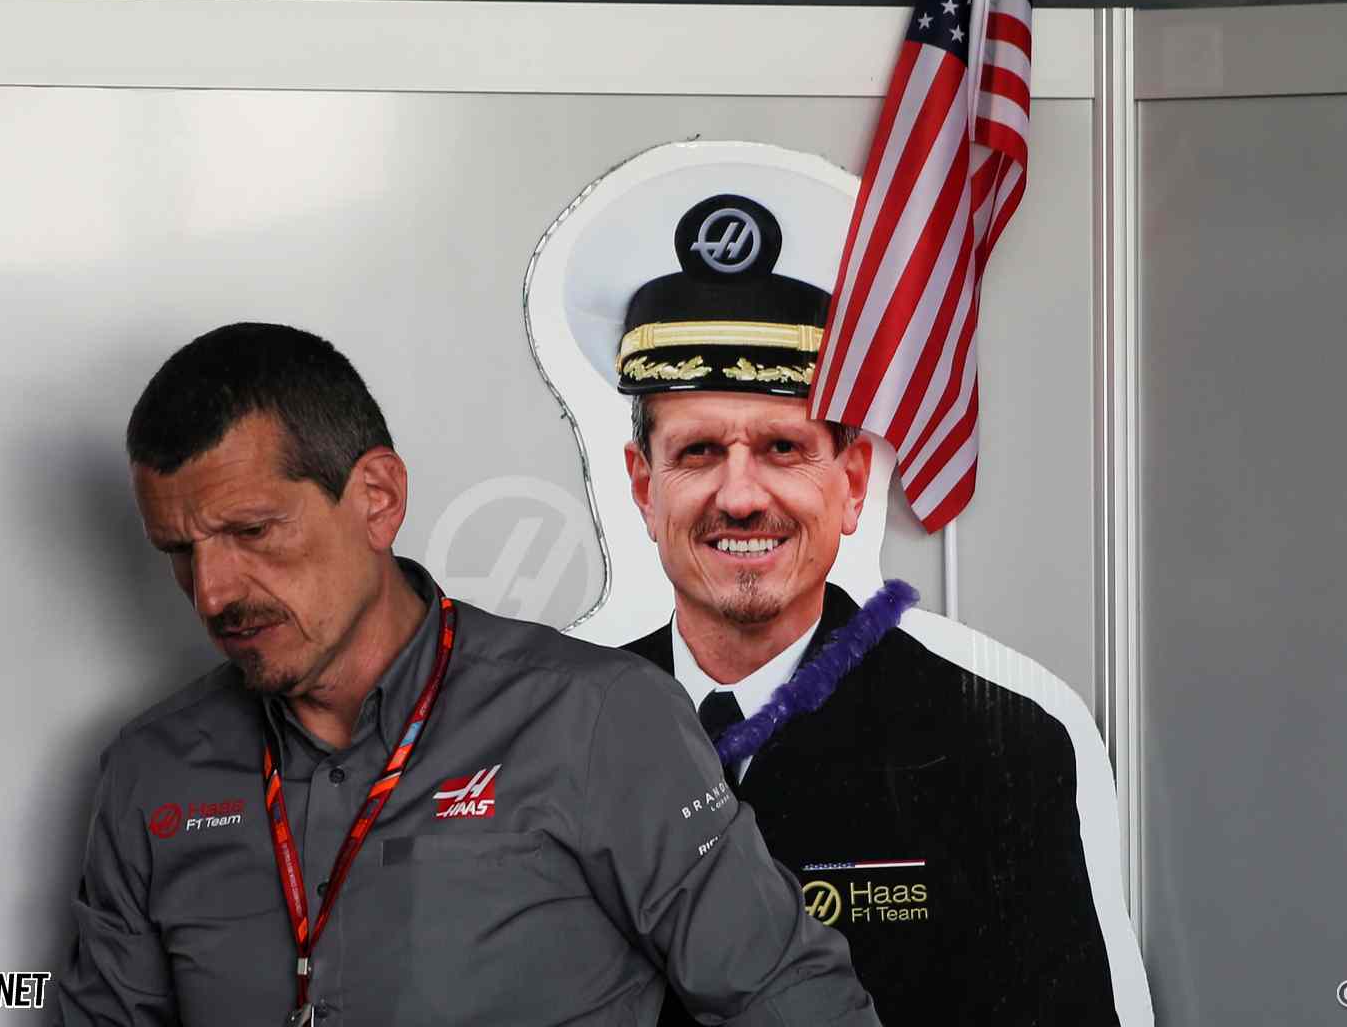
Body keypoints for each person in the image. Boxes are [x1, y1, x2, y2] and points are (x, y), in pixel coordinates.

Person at [53, 321, 879, 1026]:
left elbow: (792, 1002)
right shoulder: (150, 771)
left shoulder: (595, 719)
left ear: (377, 497)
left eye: (252, 532)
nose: (213, 593)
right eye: (179, 553)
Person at [617, 194, 1123, 1024]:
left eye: (784, 448)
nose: (740, 496)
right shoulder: (561, 730)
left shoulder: (993, 748)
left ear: (851, 485)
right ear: (645, 488)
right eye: (699, 451)